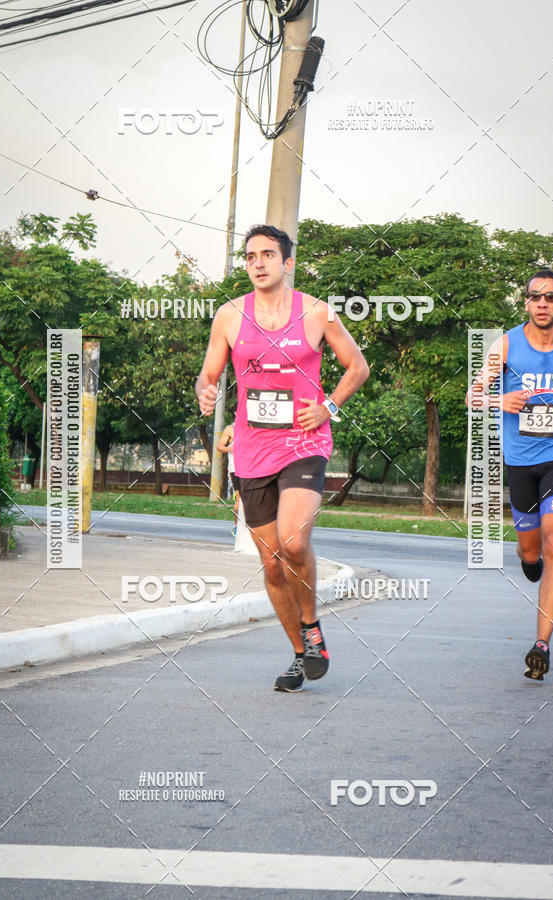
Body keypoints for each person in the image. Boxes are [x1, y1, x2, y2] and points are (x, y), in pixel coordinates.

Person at [196, 224, 369, 691]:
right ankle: (300, 653)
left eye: (268, 255)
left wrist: (328, 406)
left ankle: (311, 626)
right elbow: (209, 373)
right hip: (252, 450)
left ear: (288, 262)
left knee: (293, 542)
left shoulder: (317, 313)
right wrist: (206, 390)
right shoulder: (229, 316)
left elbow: (358, 366)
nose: (258, 263)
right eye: (251, 256)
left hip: (303, 444)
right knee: (272, 563)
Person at [466, 269, 553, 680]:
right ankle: (529, 557)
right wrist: (501, 400)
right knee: (532, 549)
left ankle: (541, 645)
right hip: (521, 460)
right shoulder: (507, 344)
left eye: (551, 297)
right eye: (535, 297)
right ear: (527, 302)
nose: (542, 304)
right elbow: (472, 396)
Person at [216, 423, 239, 535]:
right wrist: (230, 449)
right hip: (236, 468)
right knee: (240, 500)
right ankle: (236, 526)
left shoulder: (253, 426)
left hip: (252, 468)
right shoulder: (230, 429)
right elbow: (219, 446)